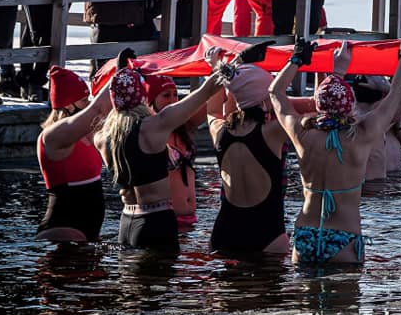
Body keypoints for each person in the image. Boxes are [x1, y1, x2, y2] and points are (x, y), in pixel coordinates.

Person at [269, 35, 401, 263]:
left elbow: (275, 93)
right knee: (345, 296)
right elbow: (396, 94)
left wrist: (297, 59)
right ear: (350, 106)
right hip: (343, 236)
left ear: (318, 104)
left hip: (305, 234)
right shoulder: (362, 133)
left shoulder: (301, 133)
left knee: (305, 296)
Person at [95, 47, 226, 249]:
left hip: (128, 221)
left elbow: (101, 108)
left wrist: (121, 72)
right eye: (166, 95)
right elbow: (206, 92)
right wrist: (218, 66)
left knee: (128, 280)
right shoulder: (156, 127)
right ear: (144, 97)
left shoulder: (102, 137)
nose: (173, 100)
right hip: (156, 220)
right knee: (161, 279)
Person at [207, 41, 294, 254]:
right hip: (267, 233)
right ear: (266, 100)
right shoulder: (273, 132)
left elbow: (212, 109)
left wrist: (219, 66)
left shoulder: (219, 131)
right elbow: (292, 110)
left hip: (225, 230)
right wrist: (296, 61)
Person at [36, 66, 110, 242]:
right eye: (84, 100)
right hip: (64, 227)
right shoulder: (52, 136)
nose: (88, 104)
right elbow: (98, 109)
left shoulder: (88, 132)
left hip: (87, 230)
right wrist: (120, 74)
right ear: (69, 105)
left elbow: (108, 108)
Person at [144, 73, 202, 227]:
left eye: (175, 95)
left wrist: (221, 70)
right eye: (166, 95)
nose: (173, 100)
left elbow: (207, 101)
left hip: (191, 219)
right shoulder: (149, 132)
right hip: (166, 218)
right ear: (151, 101)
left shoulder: (183, 127)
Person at [350, 75, 401, 181]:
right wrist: (388, 88)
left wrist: (399, 125)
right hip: (372, 181)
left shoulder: (398, 111)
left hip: (396, 179)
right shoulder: (357, 117)